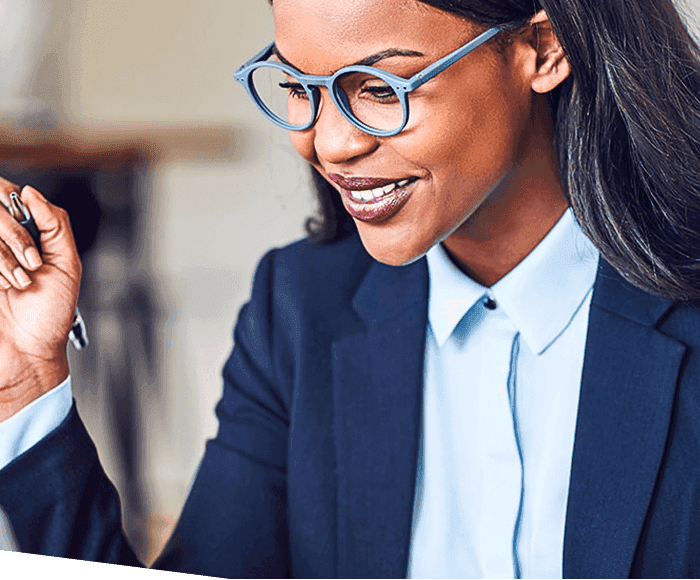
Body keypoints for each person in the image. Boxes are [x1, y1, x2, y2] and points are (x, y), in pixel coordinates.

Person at [1, 0, 700, 577]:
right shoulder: (302, 309)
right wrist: (30, 383)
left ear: (542, 51)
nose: (330, 144)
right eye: (302, 89)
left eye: (379, 89)